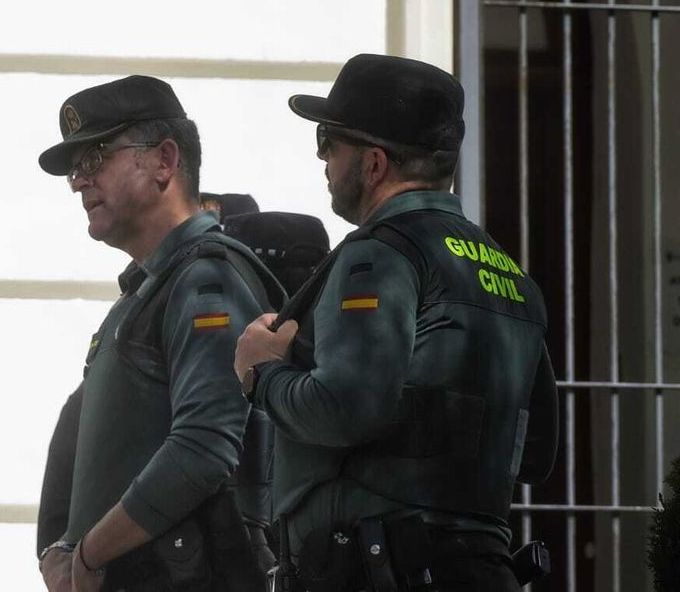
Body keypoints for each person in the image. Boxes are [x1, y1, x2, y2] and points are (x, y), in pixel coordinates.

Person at [234, 53, 559, 590]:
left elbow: (345, 409)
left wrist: (262, 375)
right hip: (479, 568)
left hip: (376, 567)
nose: (323, 162)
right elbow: (537, 453)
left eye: (328, 143)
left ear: (375, 164)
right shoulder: (508, 273)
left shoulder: (379, 256)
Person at [35, 77, 284, 592]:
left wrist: (87, 556)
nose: (79, 181)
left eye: (95, 157)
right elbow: (84, 427)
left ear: (165, 161)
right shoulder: (148, 290)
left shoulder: (205, 279)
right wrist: (59, 547)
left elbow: (204, 449)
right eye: (74, 170)